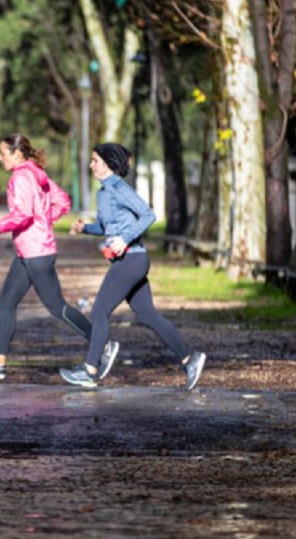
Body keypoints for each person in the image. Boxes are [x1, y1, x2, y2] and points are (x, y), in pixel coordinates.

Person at [0, 133, 118, 380]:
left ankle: (103, 344)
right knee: (7, 302)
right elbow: (63, 201)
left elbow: (22, 215)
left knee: (57, 308)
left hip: (36, 253)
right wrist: (44, 222)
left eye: (3, 153)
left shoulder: (21, 177)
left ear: (17, 153)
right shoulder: (37, 174)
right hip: (28, 251)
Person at [60, 143, 206, 390]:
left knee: (98, 313)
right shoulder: (104, 192)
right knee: (148, 315)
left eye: (95, 160)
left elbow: (148, 215)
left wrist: (125, 238)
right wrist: (85, 228)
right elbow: (108, 228)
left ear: (108, 163)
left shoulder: (118, 187)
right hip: (127, 261)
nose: (91, 165)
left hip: (132, 260)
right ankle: (190, 359)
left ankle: (90, 370)